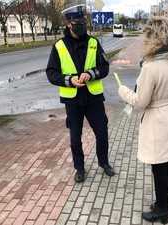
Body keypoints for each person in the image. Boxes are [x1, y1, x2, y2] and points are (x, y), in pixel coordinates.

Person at [118, 16, 168, 224]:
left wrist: (123, 91)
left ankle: (160, 209)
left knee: (159, 166)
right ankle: (167, 204)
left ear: (152, 38)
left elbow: (141, 102)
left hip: (157, 119)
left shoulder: (150, 67)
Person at [46, 4, 115, 183]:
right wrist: (69, 80)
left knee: (102, 133)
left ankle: (104, 162)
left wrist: (91, 74)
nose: (82, 25)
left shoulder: (94, 43)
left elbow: (105, 67)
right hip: (73, 101)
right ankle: (79, 168)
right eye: (78, 22)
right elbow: (51, 73)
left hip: (94, 99)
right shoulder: (59, 46)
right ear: (68, 23)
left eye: (84, 21)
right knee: (75, 137)